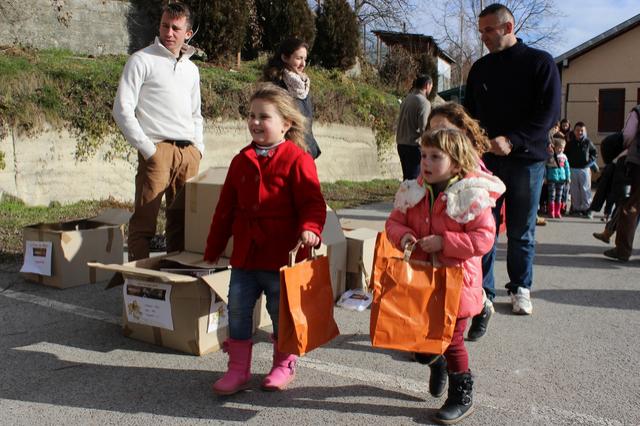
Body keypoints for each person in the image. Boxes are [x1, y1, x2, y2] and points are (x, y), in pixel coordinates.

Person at [204, 84, 326, 395]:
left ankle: (284, 363)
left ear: (286, 123)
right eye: (251, 115)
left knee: (281, 313)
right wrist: (214, 246)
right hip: (246, 254)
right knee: (238, 310)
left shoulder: (298, 159)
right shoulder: (240, 160)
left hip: (282, 256)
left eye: (264, 117)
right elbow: (225, 209)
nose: (255, 122)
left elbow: (312, 202)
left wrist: (311, 227)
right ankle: (237, 369)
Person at [386, 128, 505, 424]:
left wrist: (445, 242)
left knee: (452, 341)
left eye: (435, 157)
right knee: (420, 341)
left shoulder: (470, 196)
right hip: (422, 282)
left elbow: (484, 239)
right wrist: (404, 236)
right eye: (423, 155)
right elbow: (393, 223)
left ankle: (461, 394)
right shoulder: (412, 191)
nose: (426, 162)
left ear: (456, 162)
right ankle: (435, 362)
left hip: (457, 284)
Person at [464, 3, 561, 316]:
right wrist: (472, 145)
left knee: (521, 229)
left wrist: (513, 140)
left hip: (527, 161)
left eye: (489, 30)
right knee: (484, 227)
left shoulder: (540, 63)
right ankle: (483, 290)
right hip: (486, 162)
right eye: (481, 31)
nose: (483, 37)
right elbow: (469, 114)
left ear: (508, 27)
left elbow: (548, 115)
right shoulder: (479, 69)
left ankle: (520, 287)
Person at [112, 2, 203, 261]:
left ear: (188, 33)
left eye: (176, 28)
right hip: (157, 151)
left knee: (182, 223)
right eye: (165, 26)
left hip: (187, 154)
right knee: (144, 222)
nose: (168, 33)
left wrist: (198, 149)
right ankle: (139, 279)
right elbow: (122, 109)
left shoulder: (191, 69)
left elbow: (196, 114)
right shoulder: (142, 60)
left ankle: (176, 275)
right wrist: (148, 150)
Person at [426, 102, 497, 341]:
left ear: (462, 130)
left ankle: (482, 306)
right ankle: (431, 345)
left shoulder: (469, 164)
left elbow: (481, 233)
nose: (437, 134)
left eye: (444, 128)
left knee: (466, 284)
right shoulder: (432, 157)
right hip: (436, 236)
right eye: (432, 129)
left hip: (460, 237)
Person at [263, 38, 321, 159]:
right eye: (299, 58)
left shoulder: (303, 86)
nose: (303, 64)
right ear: (285, 58)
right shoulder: (275, 86)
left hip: (306, 151)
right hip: (286, 154)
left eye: (305, 59)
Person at [604, 105, 640, 262]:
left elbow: (628, 135)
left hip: (638, 162)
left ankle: (623, 251)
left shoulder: (638, 110)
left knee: (630, 207)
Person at [395, 75, 433, 180]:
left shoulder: (407, 99)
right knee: (415, 181)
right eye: (431, 86)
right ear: (427, 85)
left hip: (401, 144)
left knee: (407, 179)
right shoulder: (424, 102)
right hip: (413, 147)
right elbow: (424, 128)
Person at [565, 122, 597, 218]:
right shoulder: (570, 143)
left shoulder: (588, 142)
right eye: (577, 130)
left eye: (582, 130)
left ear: (585, 131)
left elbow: (594, 153)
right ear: (574, 131)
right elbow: (566, 154)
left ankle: (586, 208)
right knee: (574, 189)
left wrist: (589, 163)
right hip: (573, 169)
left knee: (585, 189)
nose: (579, 132)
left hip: (584, 169)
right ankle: (576, 208)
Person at [545, 137, 571, 218]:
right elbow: (546, 167)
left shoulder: (564, 157)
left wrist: (568, 177)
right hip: (552, 178)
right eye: (559, 147)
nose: (561, 149)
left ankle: (557, 212)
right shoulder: (550, 156)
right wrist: (545, 177)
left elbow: (567, 168)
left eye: (563, 148)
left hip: (561, 179)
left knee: (559, 196)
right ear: (554, 147)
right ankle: (551, 211)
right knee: (552, 195)